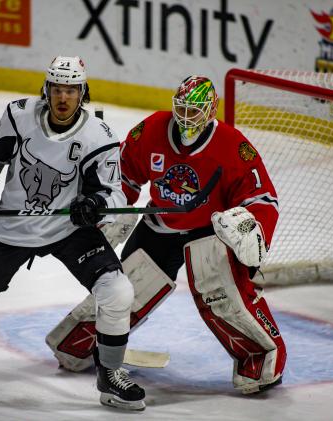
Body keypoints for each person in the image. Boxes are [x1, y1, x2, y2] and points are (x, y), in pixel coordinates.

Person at [0, 56, 146, 411]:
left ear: (83, 93)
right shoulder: (18, 115)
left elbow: (115, 192)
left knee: (118, 291)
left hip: (69, 229)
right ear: (46, 90)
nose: (64, 98)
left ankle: (110, 374)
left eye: (72, 90)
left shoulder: (100, 135)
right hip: (13, 228)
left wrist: (94, 203)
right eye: (58, 89)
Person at [46, 75, 287, 394]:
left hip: (208, 234)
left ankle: (261, 355)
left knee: (223, 297)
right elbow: (123, 175)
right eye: (181, 108)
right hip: (159, 225)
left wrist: (252, 226)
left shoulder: (232, 145)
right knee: (123, 291)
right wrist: (103, 206)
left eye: (195, 110)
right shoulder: (153, 130)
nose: (186, 117)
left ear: (211, 110)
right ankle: (93, 344)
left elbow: (261, 197)